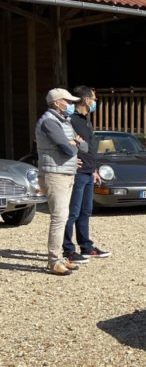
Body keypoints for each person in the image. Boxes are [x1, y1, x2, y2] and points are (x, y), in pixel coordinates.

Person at [35, 88, 83, 276]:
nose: (71, 105)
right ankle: (54, 261)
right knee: (59, 217)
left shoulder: (63, 121)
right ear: (56, 103)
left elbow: (77, 146)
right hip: (55, 175)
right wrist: (74, 143)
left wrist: (74, 143)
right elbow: (67, 149)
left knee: (63, 216)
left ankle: (60, 257)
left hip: (64, 172)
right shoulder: (49, 121)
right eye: (68, 101)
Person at [62, 86, 111, 263]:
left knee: (85, 212)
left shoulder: (86, 120)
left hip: (89, 172)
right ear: (86, 100)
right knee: (72, 212)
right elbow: (64, 144)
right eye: (94, 99)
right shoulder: (70, 120)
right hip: (77, 173)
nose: (95, 103)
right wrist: (71, 161)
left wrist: (94, 170)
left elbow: (89, 148)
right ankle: (67, 250)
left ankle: (86, 247)